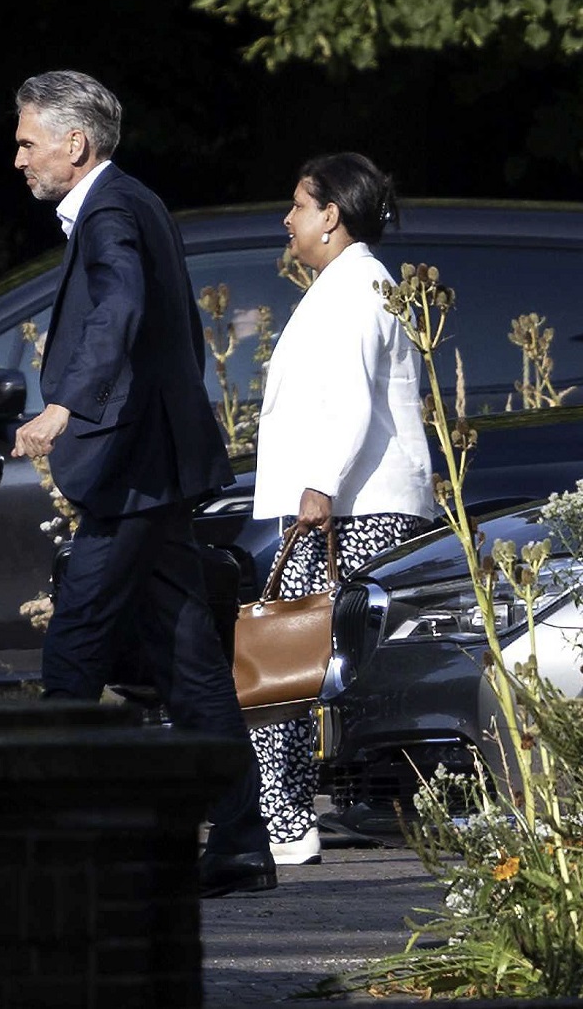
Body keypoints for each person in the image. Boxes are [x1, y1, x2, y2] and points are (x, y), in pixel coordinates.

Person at [10, 70, 275, 897]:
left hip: (130, 471)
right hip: (153, 467)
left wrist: (65, 406)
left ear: (73, 144)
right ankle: (238, 844)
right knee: (193, 661)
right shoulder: (139, 202)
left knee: (73, 646)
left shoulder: (112, 211)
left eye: (27, 141)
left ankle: (43, 848)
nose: (17, 157)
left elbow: (122, 309)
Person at [251, 152, 435, 865]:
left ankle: (287, 821)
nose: (287, 219)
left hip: (347, 510)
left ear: (331, 216)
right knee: (297, 664)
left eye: (298, 206)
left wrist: (318, 488)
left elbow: (354, 401)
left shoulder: (357, 288)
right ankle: (287, 815)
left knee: (282, 663)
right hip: (343, 507)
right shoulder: (347, 284)